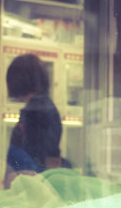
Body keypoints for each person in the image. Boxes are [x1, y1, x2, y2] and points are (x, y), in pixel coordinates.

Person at [4, 54, 71, 189]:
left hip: (31, 185)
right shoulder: (40, 107)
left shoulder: (38, 110)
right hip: (30, 182)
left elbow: (50, 156)